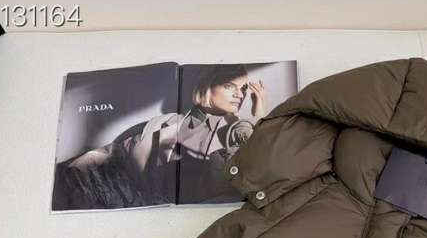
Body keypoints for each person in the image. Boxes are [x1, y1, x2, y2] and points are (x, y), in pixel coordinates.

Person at [53, 64, 268, 209]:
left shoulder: (237, 131)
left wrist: (259, 113)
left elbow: (260, 155)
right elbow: (115, 153)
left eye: (243, 89)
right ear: (207, 87)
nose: (239, 94)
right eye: (229, 86)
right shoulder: (167, 122)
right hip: (114, 196)